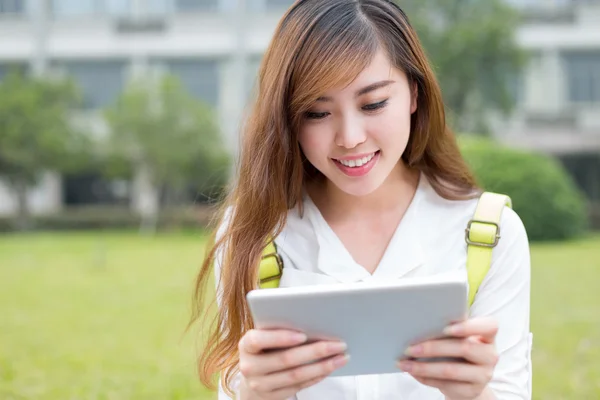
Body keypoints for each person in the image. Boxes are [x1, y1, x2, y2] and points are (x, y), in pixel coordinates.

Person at [191, 0, 532, 399]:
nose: (350, 137)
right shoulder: (250, 233)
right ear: (288, 119)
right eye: (317, 113)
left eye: (373, 104)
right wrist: (255, 391)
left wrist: (474, 393)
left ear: (414, 95)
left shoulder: (489, 233)